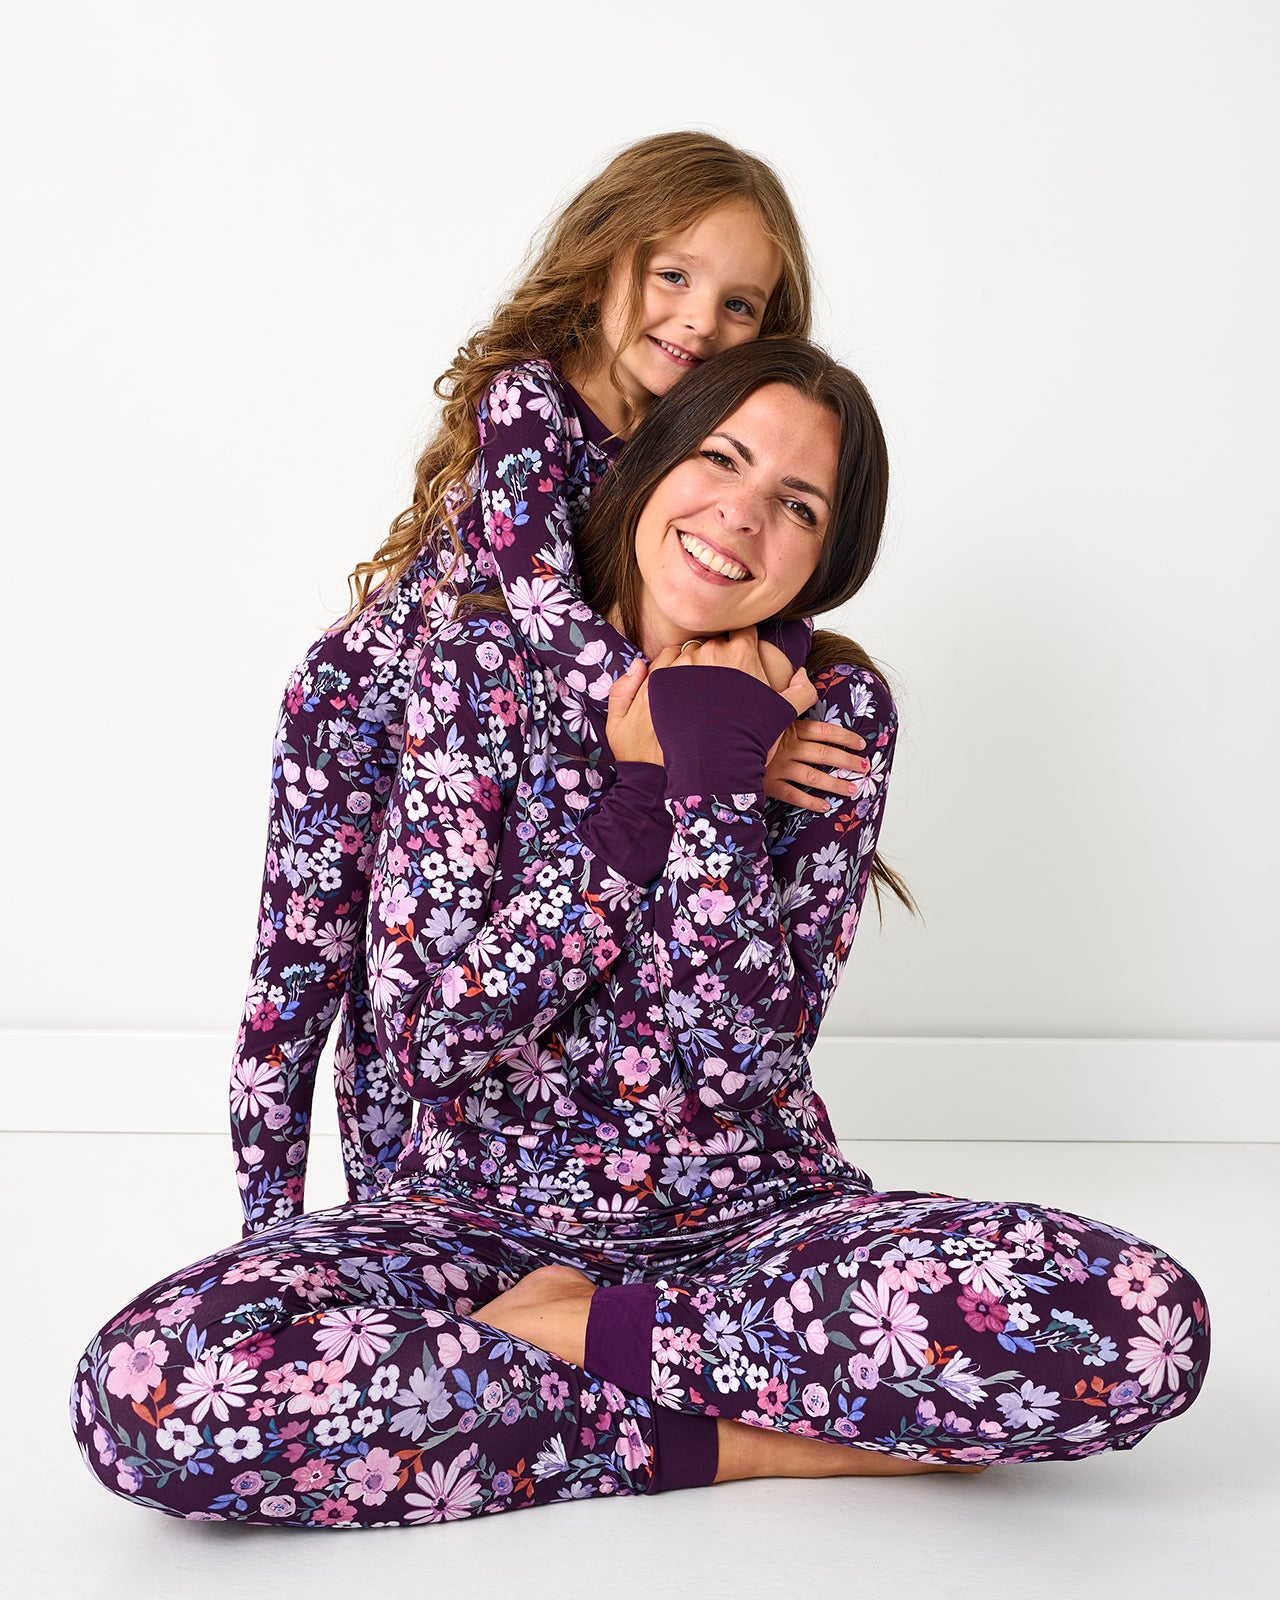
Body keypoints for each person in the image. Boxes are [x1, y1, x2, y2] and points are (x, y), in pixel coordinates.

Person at [73, 340, 1209, 1525]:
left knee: (1137, 1325)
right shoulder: (478, 670)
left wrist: (715, 784)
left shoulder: (836, 716)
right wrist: (630, 811)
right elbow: (430, 1042)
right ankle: (773, 1441)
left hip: (755, 1225)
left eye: (797, 504)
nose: (741, 514)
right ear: (653, 460)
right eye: (719, 456)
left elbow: (733, 1069)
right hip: (474, 1219)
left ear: (829, 556)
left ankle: (573, 1349)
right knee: (148, 1395)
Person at [231, 132, 863, 1238]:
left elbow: (751, 601)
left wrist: (745, 704)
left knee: (417, 990)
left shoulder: (708, 450)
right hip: (364, 710)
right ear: (604, 257)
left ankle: (404, 1229)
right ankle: (284, 1229)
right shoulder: (531, 403)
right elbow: (538, 610)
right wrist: (717, 734)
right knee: (308, 987)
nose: (697, 321)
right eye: (672, 275)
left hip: (501, 710)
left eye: (739, 306)